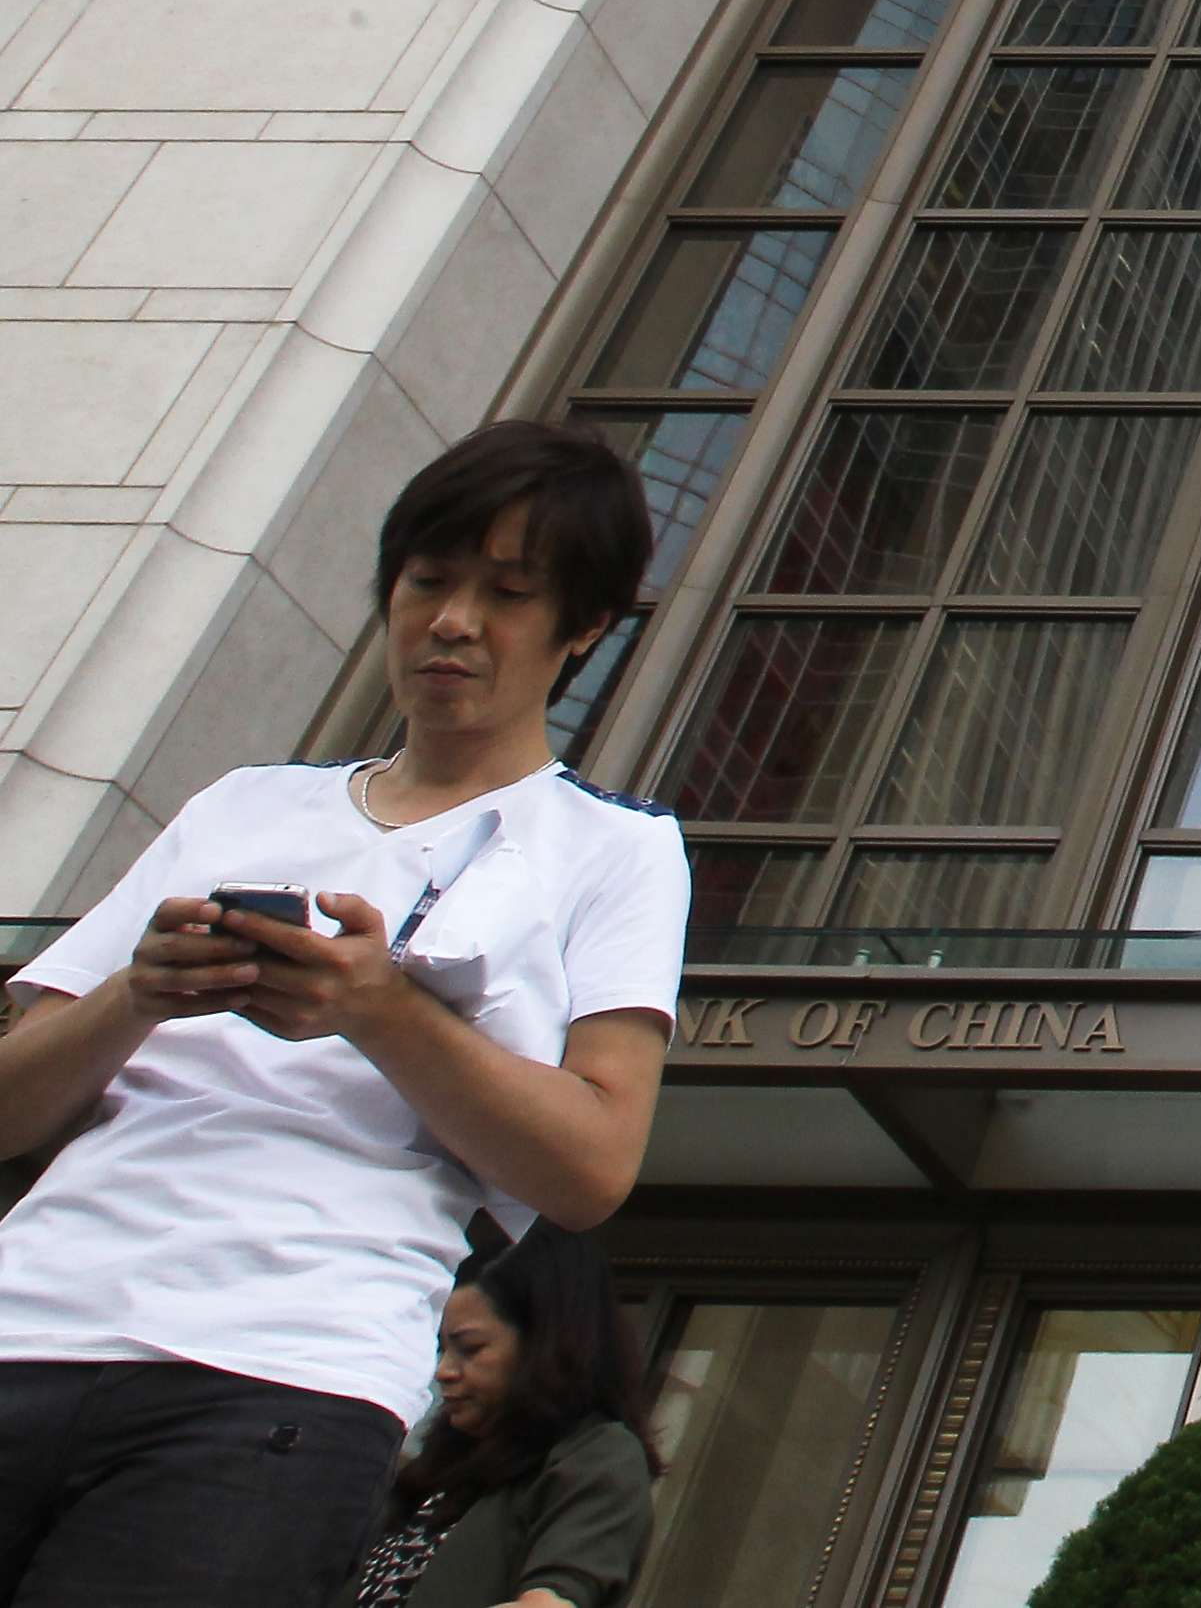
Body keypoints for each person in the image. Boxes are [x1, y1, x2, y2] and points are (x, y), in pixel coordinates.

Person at [0, 420, 690, 1608]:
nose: (453, 621)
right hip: (30, 1310)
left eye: (508, 593)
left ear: (583, 629)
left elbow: (592, 1166)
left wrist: (380, 1010)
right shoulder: (245, 803)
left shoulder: (615, 850)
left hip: (283, 1372)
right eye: (427, 581)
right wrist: (136, 991)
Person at [345, 1222, 657, 1608]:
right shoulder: (439, 1470)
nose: (443, 1370)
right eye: (441, 1349)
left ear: (546, 1344)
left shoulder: (598, 1455)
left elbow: (548, 1603)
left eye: (470, 1348)